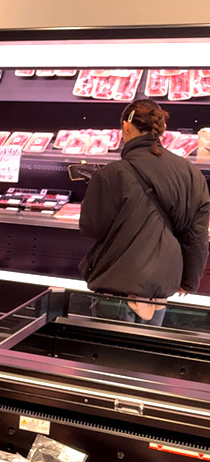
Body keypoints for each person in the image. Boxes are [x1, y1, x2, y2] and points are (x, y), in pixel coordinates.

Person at [80, 99, 210, 325]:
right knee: (147, 346)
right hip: (160, 288)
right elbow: (197, 234)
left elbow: (92, 227)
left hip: (117, 282)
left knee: (108, 345)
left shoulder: (111, 174)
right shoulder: (191, 174)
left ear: (126, 127)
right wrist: (189, 281)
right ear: (161, 128)